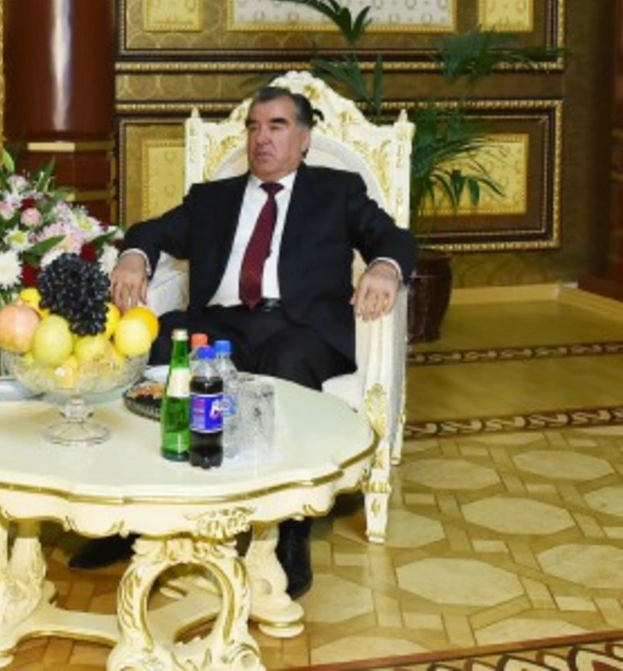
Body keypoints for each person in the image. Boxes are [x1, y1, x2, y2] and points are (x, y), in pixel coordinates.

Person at [70, 86, 417, 598]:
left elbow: (394, 238)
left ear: (304, 139)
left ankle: (290, 532)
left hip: (301, 329)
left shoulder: (336, 191)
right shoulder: (213, 198)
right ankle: (138, 519)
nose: (262, 139)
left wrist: (384, 268)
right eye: (254, 127)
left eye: (277, 126)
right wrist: (133, 257)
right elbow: (153, 230)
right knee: (165, 345)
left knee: (287, 360)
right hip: (222, 325)